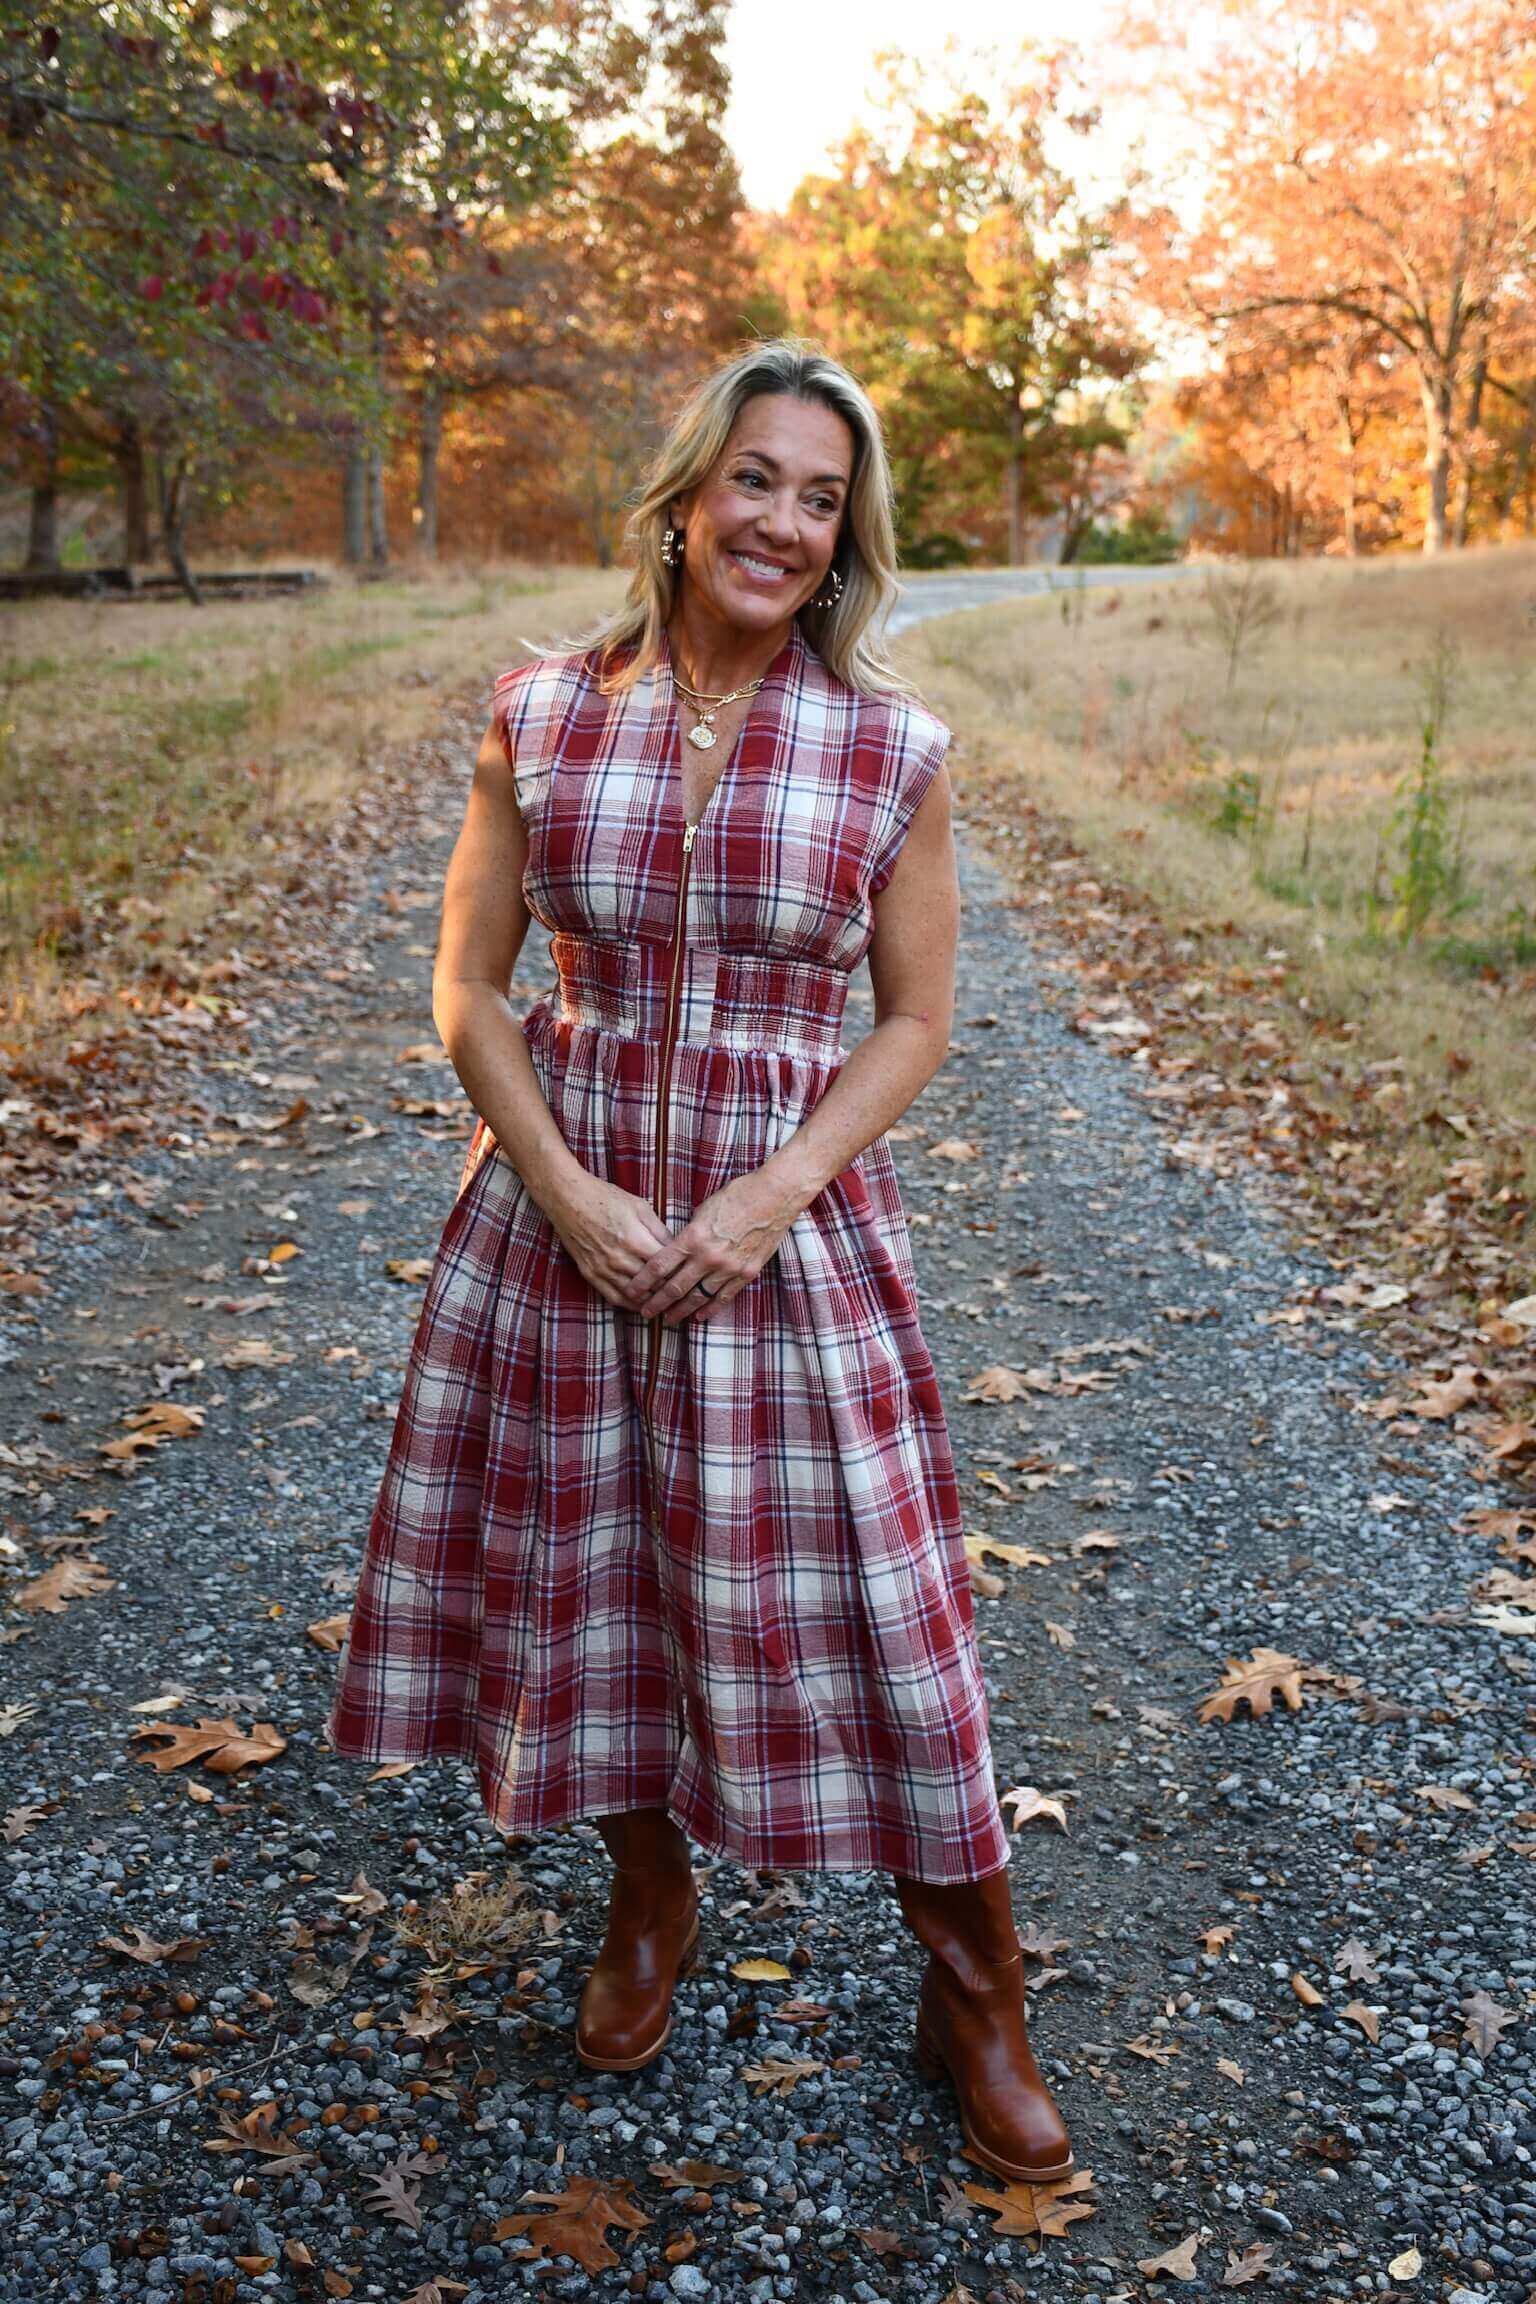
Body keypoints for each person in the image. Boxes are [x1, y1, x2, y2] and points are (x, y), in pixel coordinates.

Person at [325, 338, 1074, 2185]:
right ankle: (645, 1904)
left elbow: (913, 1020)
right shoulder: (538, 710)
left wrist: (768, 1199)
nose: (787, 524)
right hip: (565, 1216)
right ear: (683, 497)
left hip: (782, 1230)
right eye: (760, 479)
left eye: (824, 500)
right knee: (604, 1578)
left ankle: (975, 1987)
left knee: (884, 1608)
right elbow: (471, 987)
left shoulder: (891, 746)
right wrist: (565, 1187)